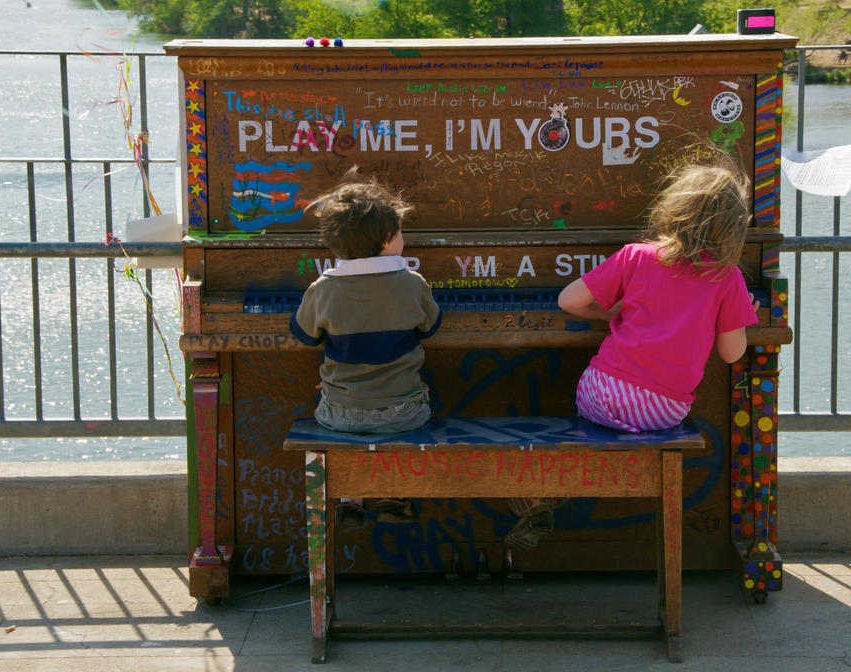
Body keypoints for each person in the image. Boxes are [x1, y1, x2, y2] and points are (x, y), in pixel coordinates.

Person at [503, 163, 760, 549]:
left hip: (598, 395)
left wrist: (612, 312)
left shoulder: (637, 256)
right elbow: (731, 353)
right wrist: (740, 320)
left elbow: (568, 300)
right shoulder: (727, 277)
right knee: (642, 425)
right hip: (660, 410)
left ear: (675, 209)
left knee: (595, 424)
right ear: (734, 228)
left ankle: (552, 490)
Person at [290, 168, 442, 527]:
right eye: (402, 231)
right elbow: (431, 327)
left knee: (339, 398)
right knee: (414, 395)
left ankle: (349, 498)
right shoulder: (412, 283)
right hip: (403, 412)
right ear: (389, 238)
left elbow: (304, 335)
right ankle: (393, 494)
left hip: (340, 412)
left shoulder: (323, 288)